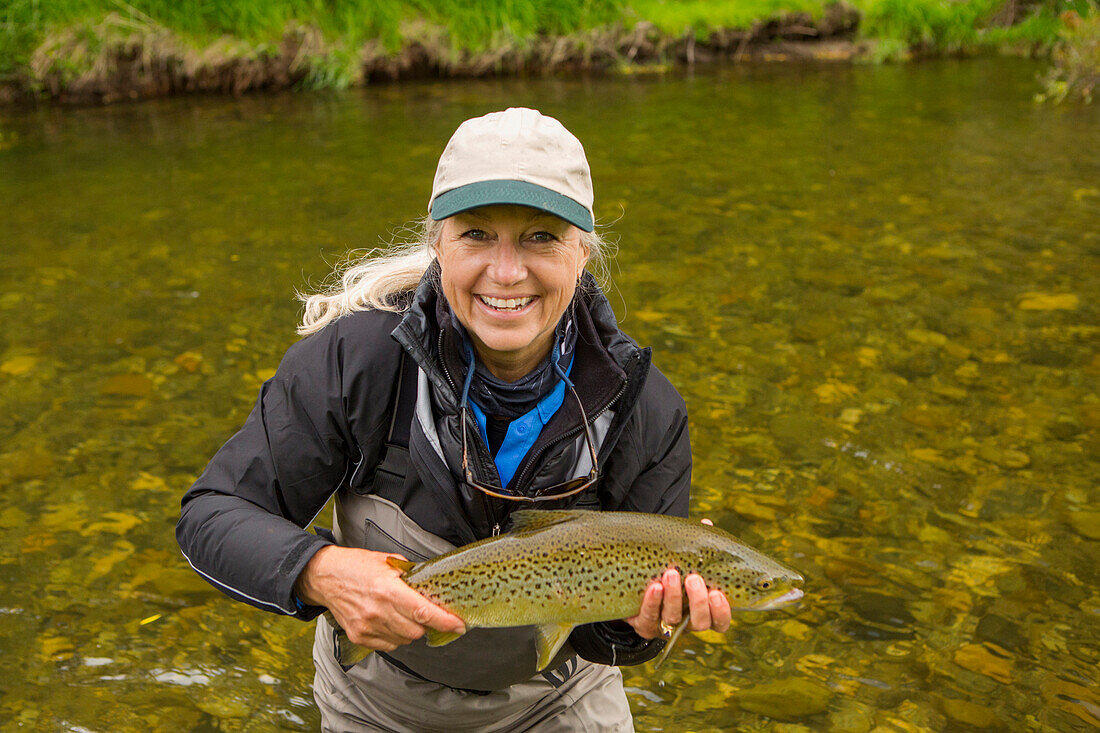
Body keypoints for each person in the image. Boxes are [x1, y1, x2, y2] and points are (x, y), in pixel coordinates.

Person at [177, 107, 732, 732]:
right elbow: (210, 515)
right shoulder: (358, 363)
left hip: (557, 700)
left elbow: (610, 647)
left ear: (583, 253)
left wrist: (637, 625)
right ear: (437, 243)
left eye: (541, 236)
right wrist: (318, 572)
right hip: (376, 702)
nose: (505, 272)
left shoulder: (640, 406)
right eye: (475, 234)